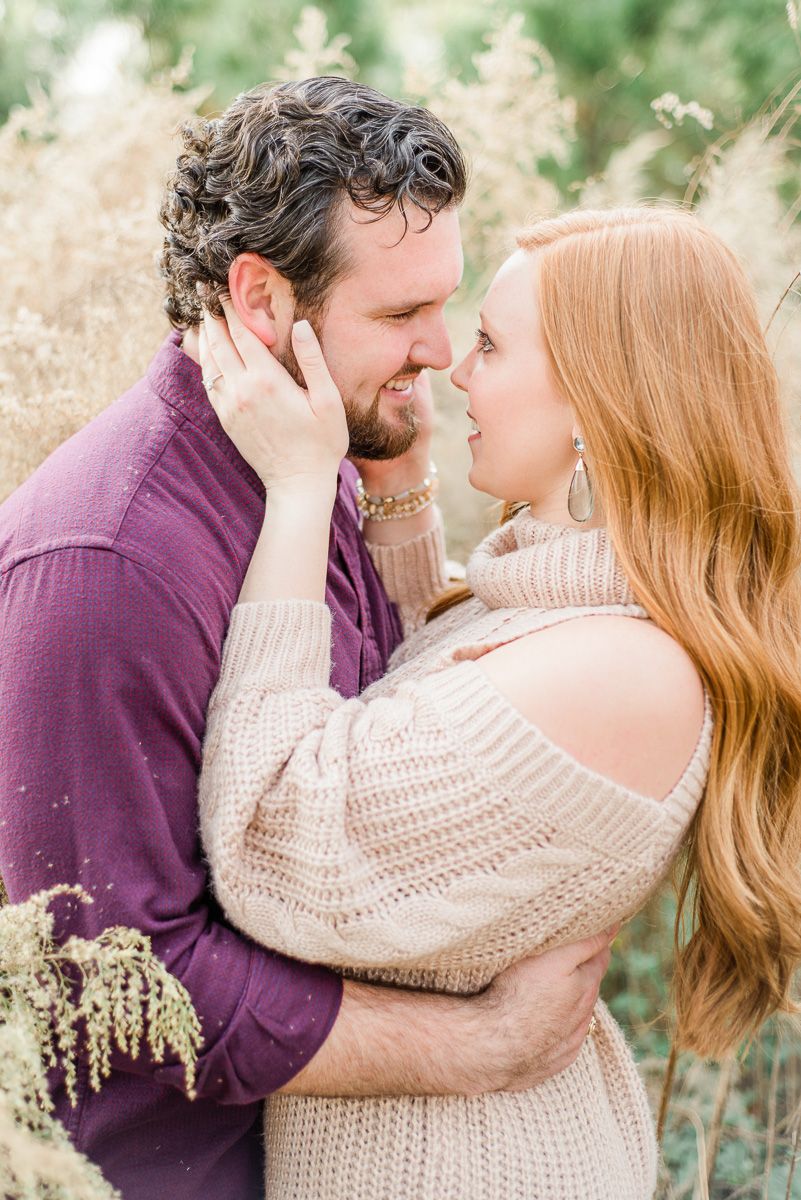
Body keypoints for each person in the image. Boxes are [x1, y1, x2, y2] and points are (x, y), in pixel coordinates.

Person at [0, 79, 612, 1200]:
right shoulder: (104, 564)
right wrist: (481, 1046)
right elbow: (122, 981)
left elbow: (377, 739)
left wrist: (398, 491)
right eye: (397, 317)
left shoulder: (311, 456)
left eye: (446, 303)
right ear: (261, 297)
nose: (441, 350)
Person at [196, 204, 801, 1200]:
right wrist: (396, 488)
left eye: (489, 343)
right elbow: (438, 691)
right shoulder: (584, 616)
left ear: (596, 405)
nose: (456, 371)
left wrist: (302, 490)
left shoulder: (625, 677)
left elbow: (277, 845)